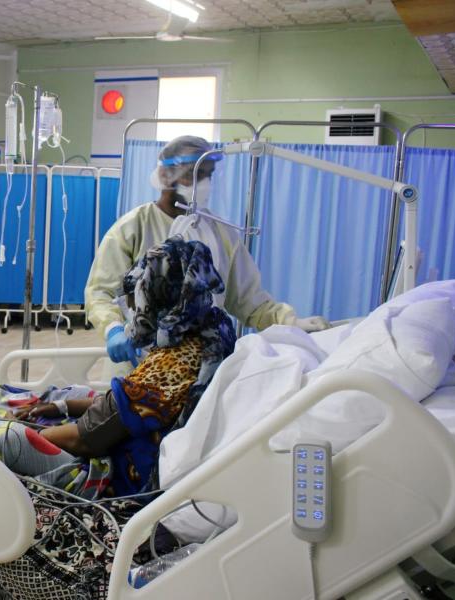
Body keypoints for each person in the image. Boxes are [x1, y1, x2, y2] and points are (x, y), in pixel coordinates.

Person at [85, 135, 330, 375]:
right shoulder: (132, 228)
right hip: (138, 364)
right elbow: (100, 291)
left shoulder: (221, 234)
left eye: (209, 175)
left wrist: (291, 323)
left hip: (201, 365)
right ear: (164, 175)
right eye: (196, 173)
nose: (205, 183)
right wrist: (113, 329)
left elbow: (250, 302)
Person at [21, 237, 236, 495]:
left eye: (136, 300)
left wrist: (24, 436)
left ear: (156, 299)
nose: (132, 310)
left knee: (4, 440)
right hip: (142, 442)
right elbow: (119, 406)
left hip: (127, 476)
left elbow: (84, 440)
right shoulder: (212, 328)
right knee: (68, 395)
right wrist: (60, 406)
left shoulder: (169, 368)